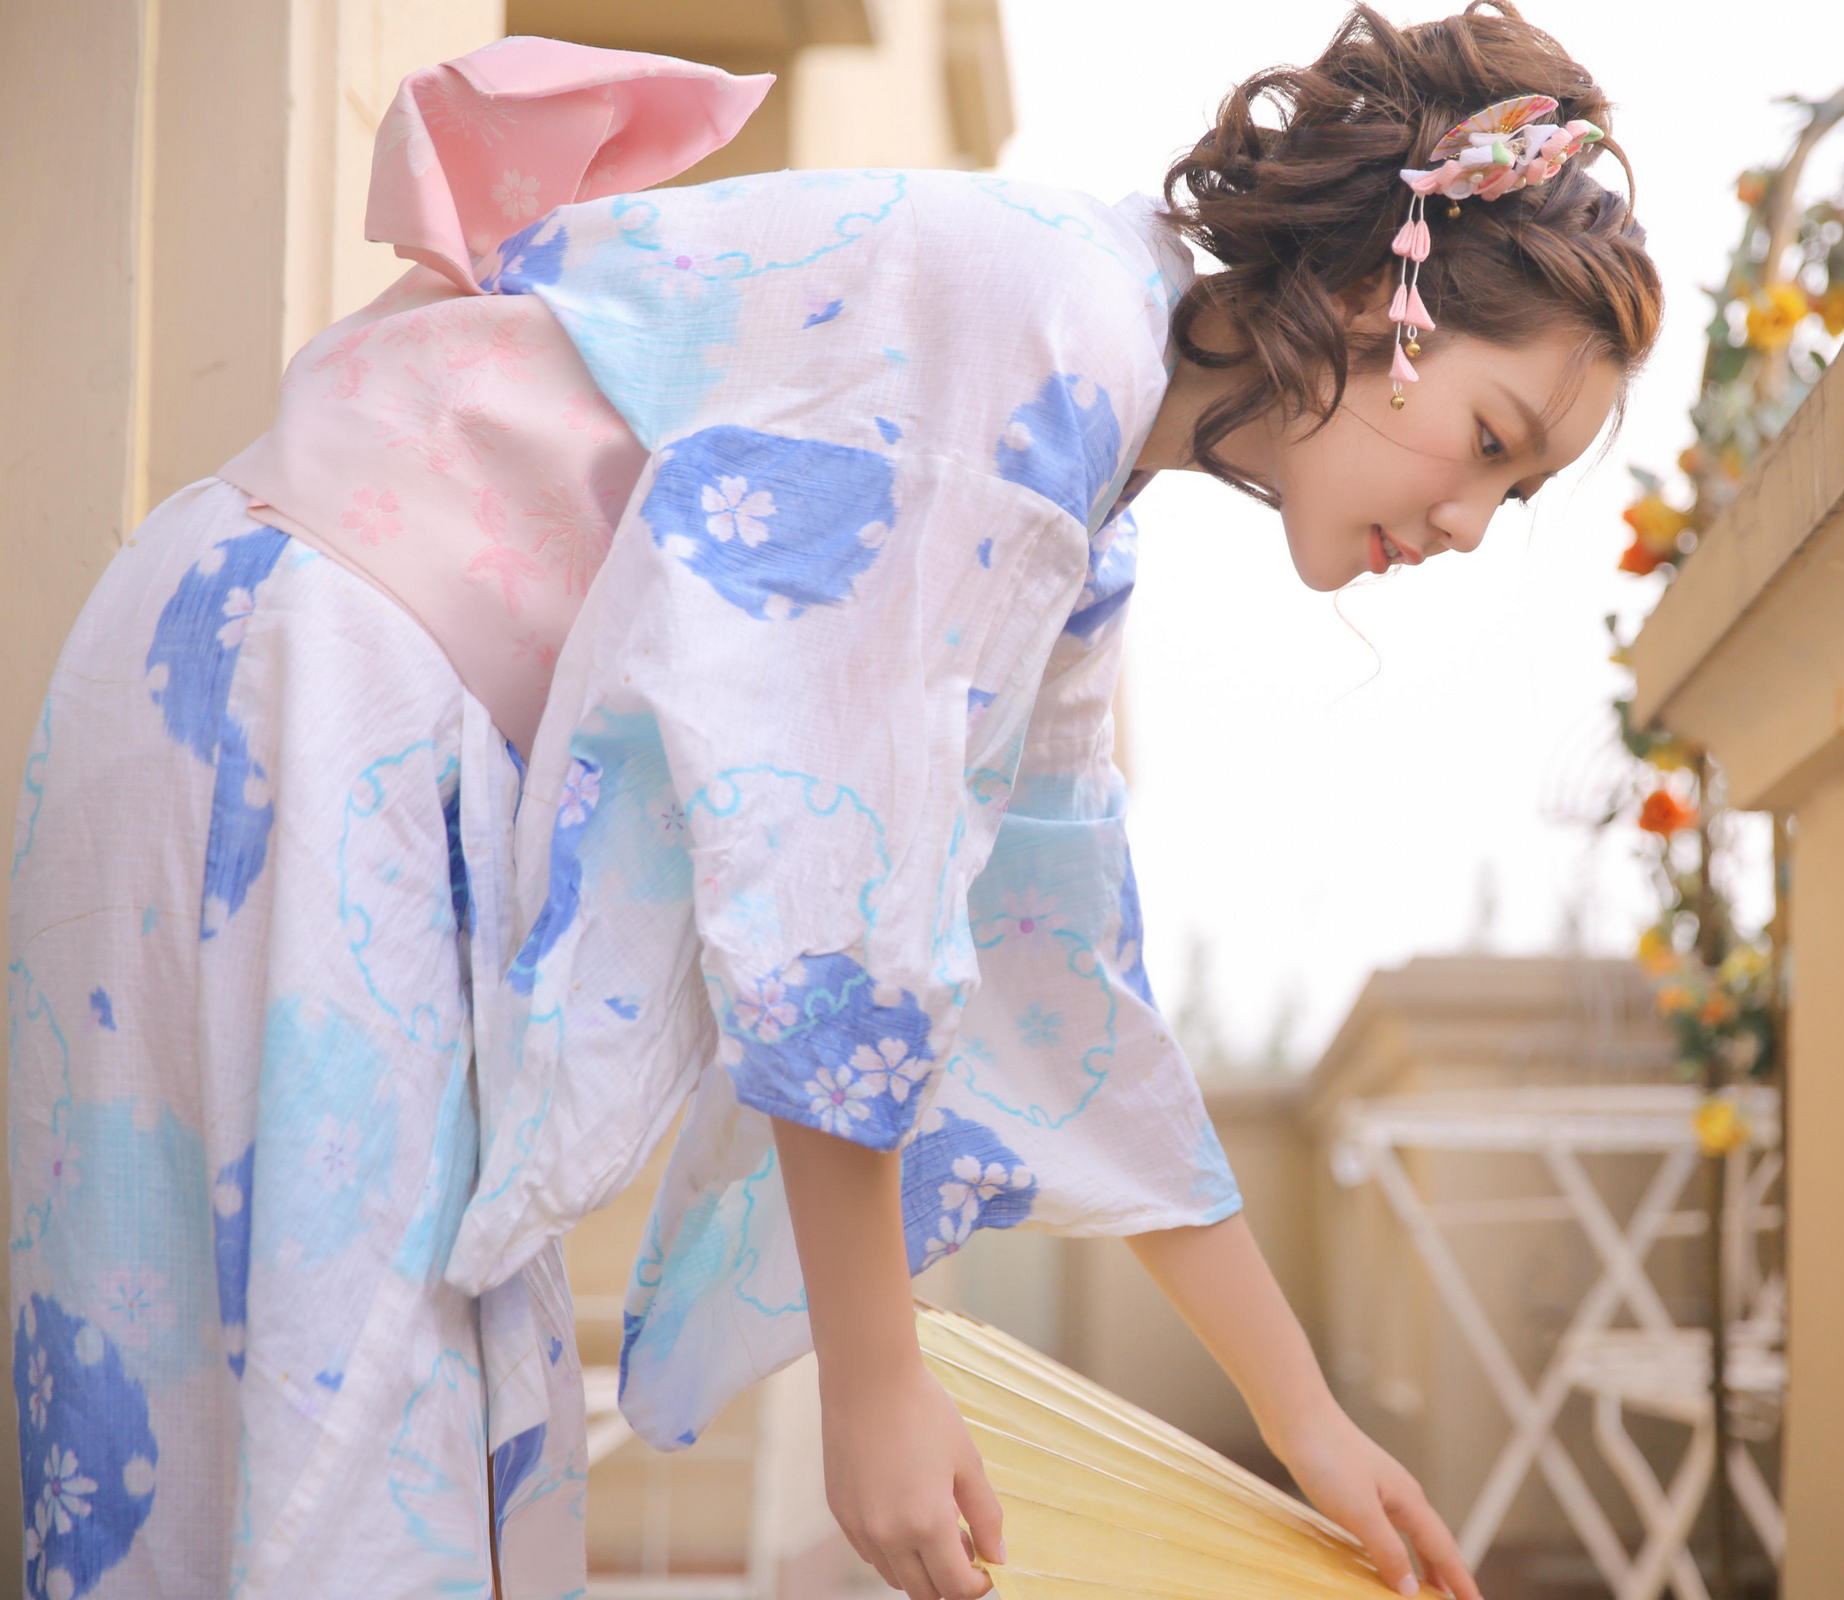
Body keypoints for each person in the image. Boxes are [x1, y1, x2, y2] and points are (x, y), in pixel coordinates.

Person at [4, 2, 1660, 1596]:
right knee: (344, 1432)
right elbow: (827, 883)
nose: (1470, 521)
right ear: (1396, 295)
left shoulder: (1082, 479)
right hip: (302, 685)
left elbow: (1051, 972)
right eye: (1492, 440)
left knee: (333, 1427)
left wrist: (1310, 1424)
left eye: (1518, 495)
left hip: (298, 688)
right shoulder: (1042, 333)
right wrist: (874, 1385)